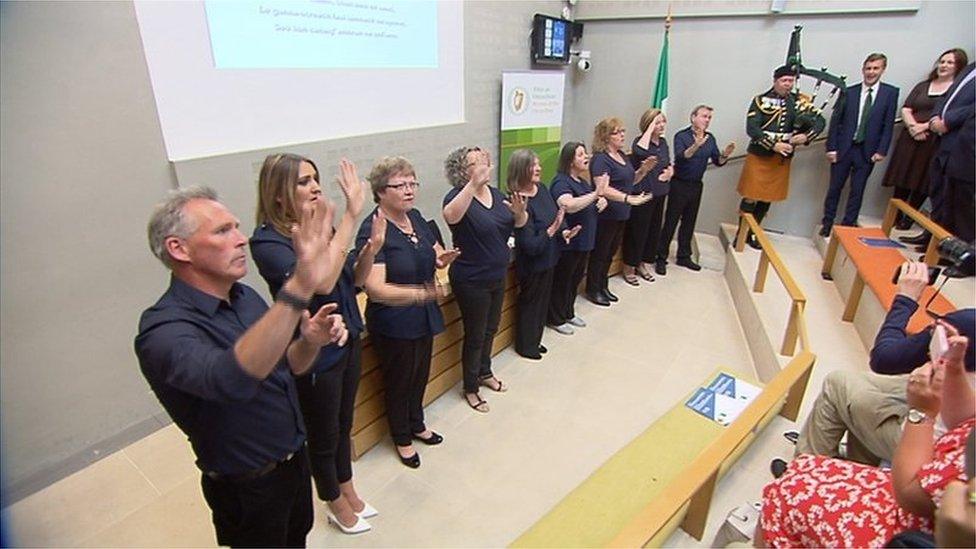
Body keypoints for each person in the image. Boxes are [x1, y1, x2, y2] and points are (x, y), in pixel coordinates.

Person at [135, 186, 347, 547]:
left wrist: (310, 341)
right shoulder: (163, 331)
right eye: (222, 231)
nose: (241, 239)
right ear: (178, 248)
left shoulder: (245, 297)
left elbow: (288, 367)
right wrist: (300, 285)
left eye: (236, 226)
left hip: (293, 464)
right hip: (249, 488)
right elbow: (230, 379)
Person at [249, 154, 375, 534]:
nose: (316, 187)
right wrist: (352, 216)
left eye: (316, 178)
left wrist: (367, 251)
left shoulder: (322, 226)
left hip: (347, 335)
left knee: (343, 423)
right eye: (304, 181)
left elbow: (348, 281)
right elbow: (319, 282)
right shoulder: (267, 241)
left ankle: (347, 487)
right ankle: (333, 500)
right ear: (277, 195)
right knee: (323, 434)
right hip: (313, 351)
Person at [759, 334, 975, 548]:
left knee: (784, 496)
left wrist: (920, 412)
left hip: (908, 524)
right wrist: (955, 370)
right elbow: (967, 422)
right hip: (915, 479)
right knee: (803, 469)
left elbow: (909, 495)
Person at [786, 261, 974, 469]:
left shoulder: (967, 324)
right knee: (866, 389)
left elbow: (884, 359)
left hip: (936, 445)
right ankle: (856, 468)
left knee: (837, 384)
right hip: (964, 440)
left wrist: (906, 299)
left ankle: (803, 474)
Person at [357, 156, 456, 468]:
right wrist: (421, 293)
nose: (409, 190)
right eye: (400, 185)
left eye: (412, 183)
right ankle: (401, 437)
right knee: (399, 380)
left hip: (423, 314)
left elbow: (433, 255)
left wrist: (442, 259)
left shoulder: (416, 218)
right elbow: (375, 288)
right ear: (380, 191)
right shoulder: (373, 229)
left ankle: (417, 423)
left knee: (419, 374)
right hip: (394, 319)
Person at [443, 146, 526, 413]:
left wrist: (519, 213)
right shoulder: (457, 196)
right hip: (471, 278)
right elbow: (450, 216)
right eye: (475, 163)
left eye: (484, 161)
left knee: (491, 328)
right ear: (462, 172)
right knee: (476, 334)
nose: (483, 165)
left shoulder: (496, 193)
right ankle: (470, 387)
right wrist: (472, 185)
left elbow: (518, 224)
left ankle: (485, 371)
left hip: (496, 273)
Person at [736, 65, 825, 249]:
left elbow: (820, 122)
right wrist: (773, 144)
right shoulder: (760, 101)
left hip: (782, 158)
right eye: (784, 81)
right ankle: (741, 233)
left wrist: (807, 137)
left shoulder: (799, 102)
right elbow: (752, 128)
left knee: (767, 197)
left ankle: (754, 232)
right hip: (760, 154)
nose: (788, 85)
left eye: (791, 81)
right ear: (775, 81)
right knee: (751, 196)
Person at [883, 49, 967, 231]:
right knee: (903, 175)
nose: (944, 65)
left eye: (949, 63)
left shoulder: (955, 90)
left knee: (923, 180)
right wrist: (913, 126)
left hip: (932, 140)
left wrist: (925, 126)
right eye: (942, 61)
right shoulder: (923, 85)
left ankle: (908, 219)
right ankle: (894, 216)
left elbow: (948, 116)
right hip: (911, 137)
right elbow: (906, 108)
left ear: (958, 66)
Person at [507, 149, 580, 359]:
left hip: (550, 256)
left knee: (542, 304)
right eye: (533, 165)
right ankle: (526, 346)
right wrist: (551, 230)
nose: (539, 168)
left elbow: (555, 217)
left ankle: (535, 340)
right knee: (531, 305)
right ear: (521, 170)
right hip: (533, 263)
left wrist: (564, 230)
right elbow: (529, 243)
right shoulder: (517, 201)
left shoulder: (542, 189)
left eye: (538, 164)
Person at [819, 53, 899, 237]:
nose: (871, 72)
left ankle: (848, 225)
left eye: (875, 68)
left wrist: (882, 150)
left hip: (867, 151)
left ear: (882, 70)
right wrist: (831, 147)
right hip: (844, 149)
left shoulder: (890, 93)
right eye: (868, 68)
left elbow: (888, 124)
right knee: (834, 188)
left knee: (858, 189)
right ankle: (827, 223)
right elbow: (836, 121)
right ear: (863, 69)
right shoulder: (849, 91)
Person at [656, 105, 735, 273]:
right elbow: (681, 156)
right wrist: (696, 145)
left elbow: (717, 161)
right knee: (670, 221)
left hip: (696, 185)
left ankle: (684, 257)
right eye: (704, 116)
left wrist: (725, 155)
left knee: (689, 223)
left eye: (709, 118)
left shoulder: (710, 138)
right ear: (693, 117)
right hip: (679, 184)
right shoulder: (681, 136)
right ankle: (660, 257)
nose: (707, 120)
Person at [585, 117, 654, 304]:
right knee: (600, 253)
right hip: (606, 215)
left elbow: (629, 182)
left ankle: (602, 285)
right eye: (618, 132)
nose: (623, 135)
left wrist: (643, 172)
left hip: (621, 214)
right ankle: (593, 289)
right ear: (606, 136)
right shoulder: (601, 159)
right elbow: (603, 189)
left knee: (610, 252)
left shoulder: (622, 156)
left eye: (623, 131)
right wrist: (627, 198)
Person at [547, 141, 608, 335]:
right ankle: (556, 318)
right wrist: (595, 194)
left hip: (585, 242)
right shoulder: (561, 181)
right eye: (581, 155)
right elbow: (568, 205)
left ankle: (568, 312)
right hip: (569, 243)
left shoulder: (582, 181)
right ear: (570, 160)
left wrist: (601, 200)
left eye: (585, 153)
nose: (586, 157)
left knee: (574, 280)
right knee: (563, 281)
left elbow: (589, 200)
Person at [623, 108, 674, 282]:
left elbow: (668, 162)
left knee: (653, 231)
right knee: (638, 231)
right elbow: (639, 152)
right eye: (657, 122)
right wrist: (649, 130)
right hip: (643, 194)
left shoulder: (664, 143)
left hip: (660, 193)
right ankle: (629, 267)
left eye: (662, 121)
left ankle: (642, 264)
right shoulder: (641, 142)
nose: (661, 125)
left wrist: (670, 172)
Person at [928, 61, 976, 244]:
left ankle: (963, 254)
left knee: (962, 205)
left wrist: (948, 120)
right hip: (949, 143)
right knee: (942, 194)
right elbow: (947, 96)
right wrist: (935, 115)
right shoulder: (971, 67)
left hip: (965, 145)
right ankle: (938, 241)